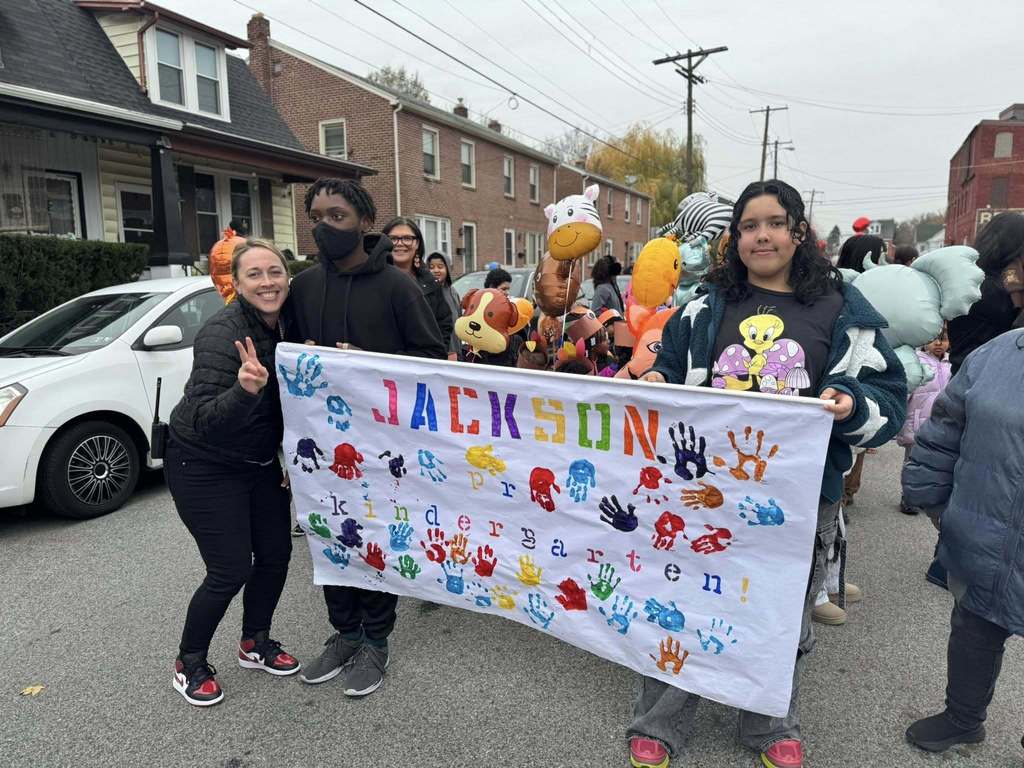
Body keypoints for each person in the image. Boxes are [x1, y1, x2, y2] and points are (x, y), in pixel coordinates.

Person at [631, 179, 906, 768]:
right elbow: (670, 368)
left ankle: (769, 722)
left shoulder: (841, 311)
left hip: (800, 497)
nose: (762, 235)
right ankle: (660, 721)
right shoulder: (706, 307)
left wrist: (851, 401)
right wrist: (655, 381)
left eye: (775, 223)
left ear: (798, 231)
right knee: (685, 601)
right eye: (749, 225)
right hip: (707, 493)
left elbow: (890, 397)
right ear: (736, 237)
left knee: (779, 613)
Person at [285, 179, 445, 698]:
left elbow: (431, 361)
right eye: (316, 216)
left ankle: (376, 639)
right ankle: (344, 633)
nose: (324, 226)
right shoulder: (304, 287)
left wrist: (371, 366)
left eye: (337, 216)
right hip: (321, 448)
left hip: (382, 449)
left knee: (375, 540)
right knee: (330, 537)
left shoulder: (399, 288)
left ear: (364, 222)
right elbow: (286, 356)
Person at [167, 238, 299, 707]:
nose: (268, 282)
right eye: (255, 275)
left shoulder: (291, 321)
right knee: (229, 569)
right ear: (237, 284)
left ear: (288, 276)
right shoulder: (223, 334)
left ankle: (254, 642)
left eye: (275, 272)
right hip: (202, 462)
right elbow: (204, 418)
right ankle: (190, 662)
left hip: (258, 462)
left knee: (277, 554)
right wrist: (245, 390)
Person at [902, 328, 1024, 755]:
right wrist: (930, 497)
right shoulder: (1000, 352)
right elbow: (946, 427)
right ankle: (963, 718)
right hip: (985, 533)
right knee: (974, 629)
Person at [948, 212, 1024, 373]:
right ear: (1013, 247)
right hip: (983, 381)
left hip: (966, 377)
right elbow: (1017, 334)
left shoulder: (973, 277)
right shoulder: (988, 288)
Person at [896, 330, 950, 515]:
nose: (938, 343)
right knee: (913, 462)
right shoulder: (916, 361)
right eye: (934, 339)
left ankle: (928, 495)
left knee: (936, 462)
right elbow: (907, 390)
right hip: (917, 422)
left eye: (943, 339)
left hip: (942, 424)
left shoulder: (951, 364)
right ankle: (908, 496)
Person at [380, 217, 454, 351]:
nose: (400, 243)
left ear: (417, 243)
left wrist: (434, 354)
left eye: (407, 238)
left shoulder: (430, 283)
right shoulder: (373, 279)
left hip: (422, 363)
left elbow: (444, 323)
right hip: (383, 363)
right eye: (393, 238)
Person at [427, 251, 461, 360]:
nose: (436, 270)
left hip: (456, 349)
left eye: (440, 266)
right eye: (431, 267)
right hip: (437, 352)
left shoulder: (453, 292)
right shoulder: (425, 293)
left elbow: (459, 318)